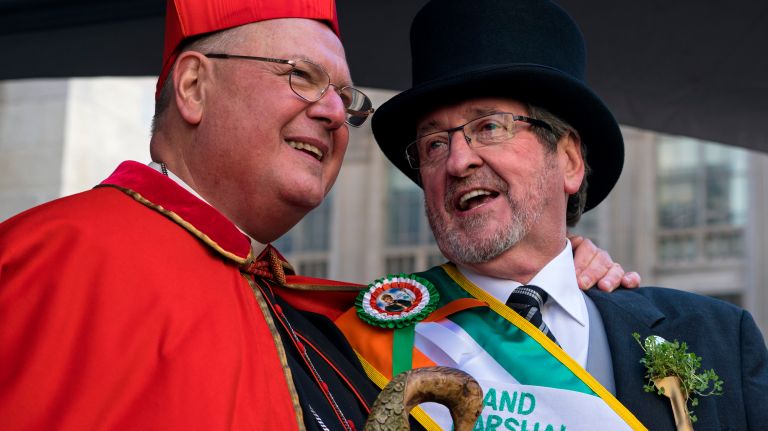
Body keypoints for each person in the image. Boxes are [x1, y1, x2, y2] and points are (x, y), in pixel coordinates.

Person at [0, 0, 638, 429]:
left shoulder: (322, 316)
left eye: (344, 97)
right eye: (301, 76)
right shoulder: (51, 258)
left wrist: (555, 272)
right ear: (193, 87)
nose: (336, 113)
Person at [336, 0, 768, 430]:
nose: (456, 161)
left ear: (569, 160)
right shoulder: (360, 345)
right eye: (433, 144)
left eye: (488, 126)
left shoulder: (719, 337)